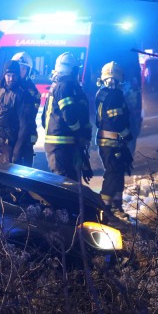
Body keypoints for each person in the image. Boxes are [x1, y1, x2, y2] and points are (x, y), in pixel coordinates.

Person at [41, 52, 92, 182]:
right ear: (71, 69)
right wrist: (78, 132)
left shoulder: (62, 86)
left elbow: (43, 119)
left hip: (62, 143)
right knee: (63, 182)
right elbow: (69, 115)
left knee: (70, 182)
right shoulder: (64, 87)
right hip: (60, 145)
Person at [95, 61, 133, 221]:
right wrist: (127, 134)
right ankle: (105, 209)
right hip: (112, 142)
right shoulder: (115, 95)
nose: (112, 83)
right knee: (112, 174)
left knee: (117, 173)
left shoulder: (102, 93)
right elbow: (116, 119)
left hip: (109, 142)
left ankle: (116, 206)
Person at [11, 52, 41, 167]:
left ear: (28, 71)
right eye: (18, 68)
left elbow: (28, 117)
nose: (20, 71)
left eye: (23, 68)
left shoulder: (31, 91)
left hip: (26, 136)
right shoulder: (5, 88)